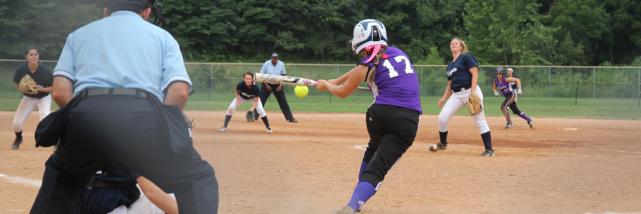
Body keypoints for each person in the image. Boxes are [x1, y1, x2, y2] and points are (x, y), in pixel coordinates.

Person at [30, 1, 219, 213]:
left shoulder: (79, 35)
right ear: (146, 12)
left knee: (61, 178)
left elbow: (60, 92)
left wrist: (89, 117)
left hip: (88, 113)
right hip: (142, 117)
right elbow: (180, 91)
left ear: (106, 10)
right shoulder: (162, 36)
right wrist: (163, 125)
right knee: (197, 177)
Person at [316, 19, 422, 214]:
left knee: (373, 150)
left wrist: (327, 86)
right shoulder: (398, 53)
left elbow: (342, 92)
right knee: (378, 168)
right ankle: (353, 205)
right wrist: (335, 80)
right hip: (407, 120)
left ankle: (355, 201)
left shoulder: (368, 61)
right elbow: (359, 70)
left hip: (378, 116)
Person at [428, 37, 495, 157]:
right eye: (451, 43)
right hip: (457, 95)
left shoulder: (465, 57)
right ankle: (443, 144)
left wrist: (473, 92)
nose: (453, 44)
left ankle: (489, 150)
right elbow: (450, 84)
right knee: (442, 118)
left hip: (471, 90)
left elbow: (474, 72)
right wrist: (444, 98)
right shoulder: (449, 66)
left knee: (479, 120)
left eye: (456, 43)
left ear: (460, 47)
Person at [11, 48, 53, 150]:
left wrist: (42, 89)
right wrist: (25, 90)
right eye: (31, 54)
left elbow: (53, 87)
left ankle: (54, 141)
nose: (34, 56)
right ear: (26, 57)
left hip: (43, 98)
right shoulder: (21, 70)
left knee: (45, 119)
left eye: (36, 54)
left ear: (38, 56)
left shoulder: (45, 71)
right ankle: (18, 138)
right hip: (28, 98)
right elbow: (17, 84)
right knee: (17, 123)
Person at [258, 52, 298, 123]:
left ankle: (290, 118)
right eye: (273, 58)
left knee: (283, 101)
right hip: (267, 83)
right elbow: (261, 76)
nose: (274, 59)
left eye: (276, 58)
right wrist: (266, 85)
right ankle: (254, 117)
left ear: (278, 58)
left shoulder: (281, 64)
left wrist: (280, 86)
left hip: (278, 84)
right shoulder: (266, 64)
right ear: (271, 58)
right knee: (260, 101)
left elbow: (284, 76)